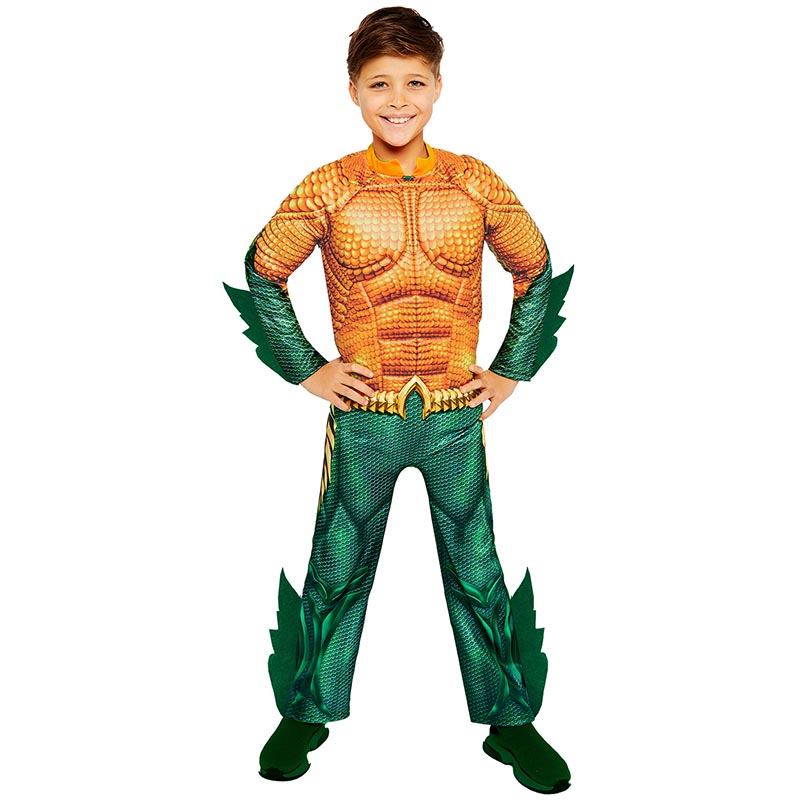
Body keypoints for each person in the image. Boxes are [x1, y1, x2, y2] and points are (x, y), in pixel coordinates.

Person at [227, 6, 573, 793]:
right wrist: (307, 368)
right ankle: (307, 711)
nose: (398, 99)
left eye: (414, 82)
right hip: (366, 417)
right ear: (354, 90)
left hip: (453, 415)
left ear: (438, 86)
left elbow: (535, 267)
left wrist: (511, 369)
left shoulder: (474, 179)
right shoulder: (329, 187)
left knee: (477, 570)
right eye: (380, 83)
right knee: (337, 566)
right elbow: (263, 270)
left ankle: (510, 723)